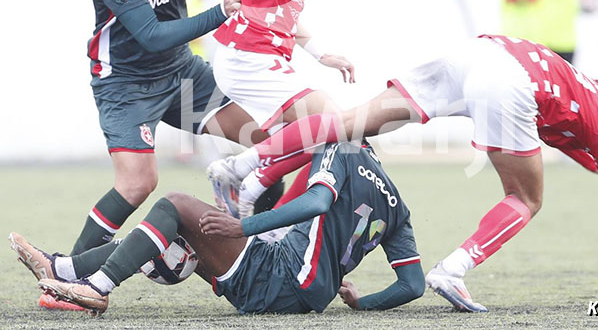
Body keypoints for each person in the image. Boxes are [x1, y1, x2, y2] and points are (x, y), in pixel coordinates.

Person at [210, 34, 598, 311]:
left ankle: (245, 167)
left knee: (348, 123)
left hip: (475, 53)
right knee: (527, 198)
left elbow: (575, 146)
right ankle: (452, 271)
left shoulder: (572, 84)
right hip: (507, 83)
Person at [58, 0, 293, 313]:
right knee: (138, 184)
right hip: (126, 83)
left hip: (180, 74)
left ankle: (259, 246)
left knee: (266, 142)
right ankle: (70, 278)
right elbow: (148, 35)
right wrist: (219, 11)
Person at [10, 141, 425, 315]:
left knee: (173, 203)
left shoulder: (341, 149)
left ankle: (97, 286)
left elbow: (317, 201)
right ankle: (62, 270)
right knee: (173, 230)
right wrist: (361, 304)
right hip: (300, 296)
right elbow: (412, 285)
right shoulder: (399, 206)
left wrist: (241, 225)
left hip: (278, 276)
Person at [199, 0, 401, 216]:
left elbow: (284, 12)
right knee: (336, 122)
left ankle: (265, 209)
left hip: (268, 57)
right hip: (245, 55)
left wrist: (322, 54)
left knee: (333, 139)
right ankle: (240, 171)